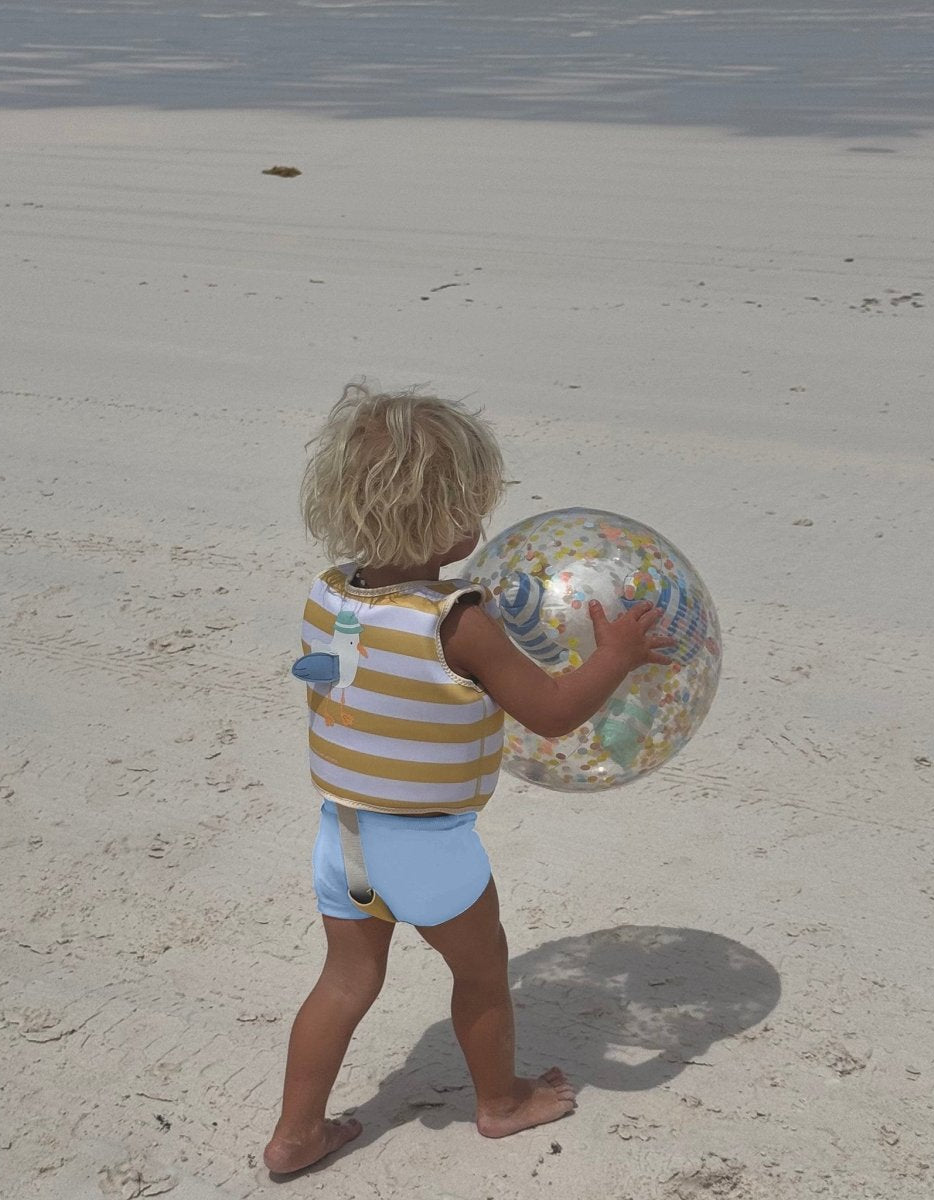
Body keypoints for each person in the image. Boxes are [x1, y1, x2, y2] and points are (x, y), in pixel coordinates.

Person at [263, 382, 675, 1175]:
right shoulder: (457, 623)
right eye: (473, 504)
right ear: (445, 516)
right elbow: (551, 712)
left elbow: (340, 669)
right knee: (482, 973)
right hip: (426, 844)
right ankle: (502, 1102)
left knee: (346, 978)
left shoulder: (329, 592)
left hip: (345, 831)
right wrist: (616, 657)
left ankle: (295, 1134)